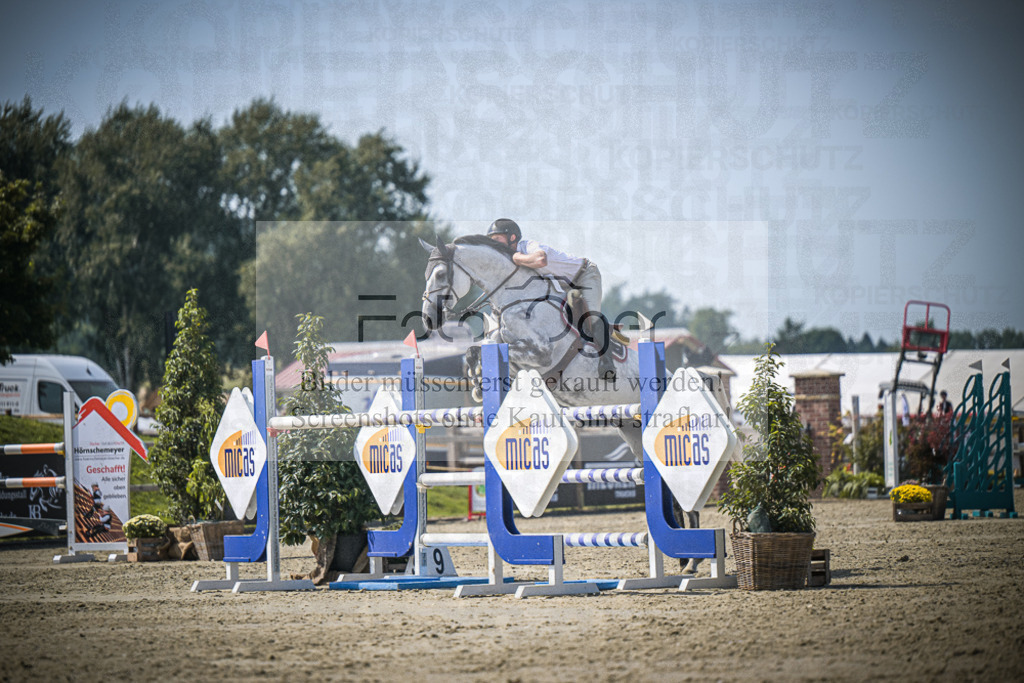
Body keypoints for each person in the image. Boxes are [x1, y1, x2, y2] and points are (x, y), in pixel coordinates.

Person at [486, 218, 614, 377]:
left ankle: (607, 361)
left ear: (512, 237)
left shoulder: (528, 247)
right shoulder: (507, 258)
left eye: (497, 239)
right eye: (491, 241)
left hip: (584, 275)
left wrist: (516, 257)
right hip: (559, 284)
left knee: (591, 317)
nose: (494, 244)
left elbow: (541, 260)